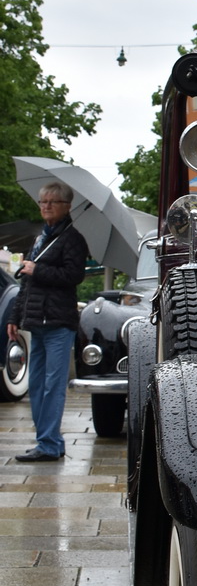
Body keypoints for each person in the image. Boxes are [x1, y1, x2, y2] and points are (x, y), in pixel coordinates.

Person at [6, 181, 88, 462]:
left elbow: (73, 276)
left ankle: (49, 444)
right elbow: (25, 285)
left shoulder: (72, 239)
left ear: (66, 206)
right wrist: (15, 317)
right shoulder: (40, 240)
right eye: (42, 202)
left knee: (53, 385)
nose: (46, 206)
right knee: (37, 384)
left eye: (52, 202)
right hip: (35, 322)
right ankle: (48, 441)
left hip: (59, 323)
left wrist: (38, 269)